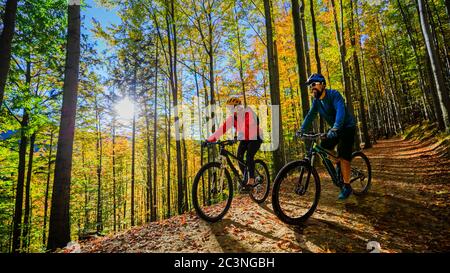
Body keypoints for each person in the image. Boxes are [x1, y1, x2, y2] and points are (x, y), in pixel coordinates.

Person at [297, 73, 356, 200]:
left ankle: (347, 186)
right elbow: (310, 116)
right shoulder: (316, 101)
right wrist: (302, 129)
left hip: (346, 127)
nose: (312, 88)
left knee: (344, 155)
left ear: (323, 84)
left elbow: (340, 111)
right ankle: (337, 161)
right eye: (310, 86)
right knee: (324, 147)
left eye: (314, 84)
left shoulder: (334, 95)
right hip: (334, 129)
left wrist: (335, 127)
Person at [205, 97, 263, 191]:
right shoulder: (232, 118)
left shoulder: (248, 112)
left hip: (256, 137)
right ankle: (246, 178)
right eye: (229, 108)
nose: (230, 110)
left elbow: (250, 124)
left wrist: (240, 134)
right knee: (239, 158)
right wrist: (209, 140)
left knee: (249, 156)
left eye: (231, 108)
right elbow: (221, 129)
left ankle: (251, 180)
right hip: (244, 139)